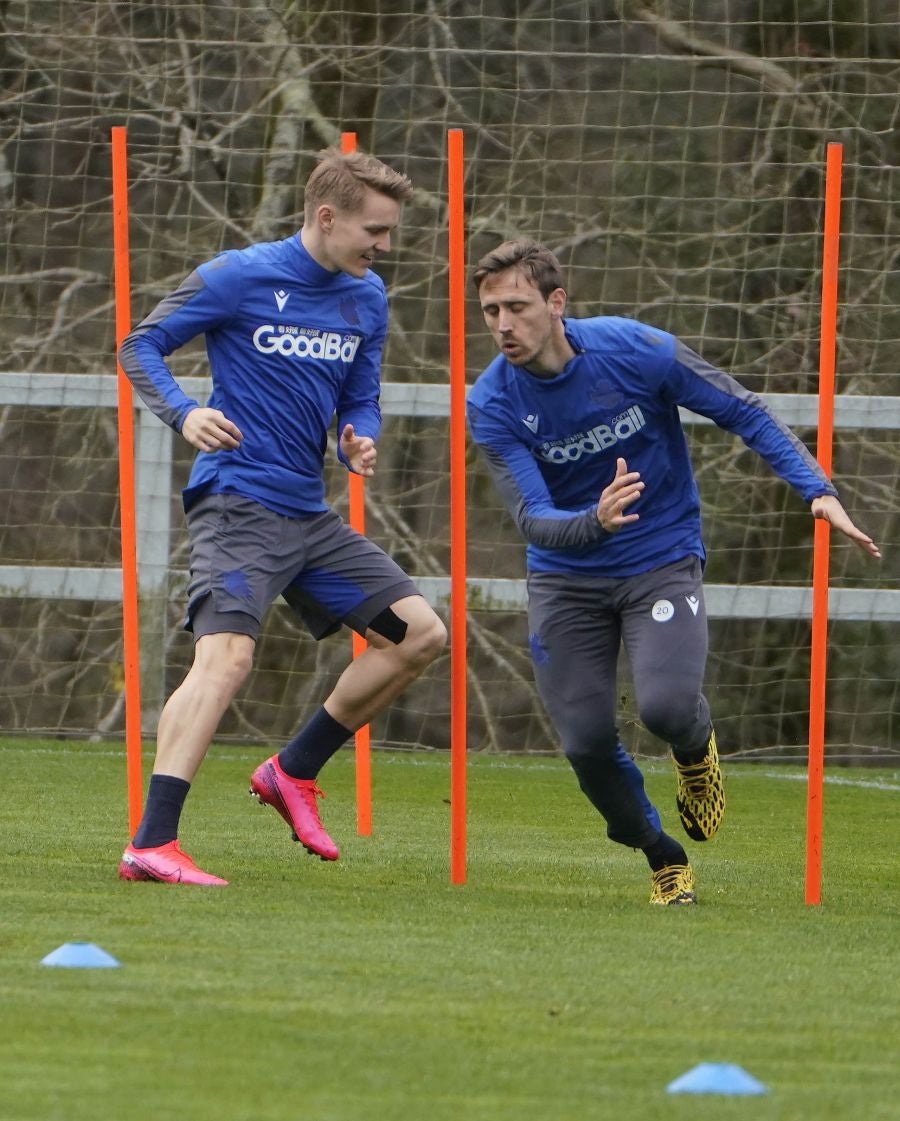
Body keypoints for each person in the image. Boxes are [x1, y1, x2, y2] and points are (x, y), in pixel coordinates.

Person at [466, 239, 881, 906]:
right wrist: (593, 523)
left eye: (516, 306)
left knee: (663, 706)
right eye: (489, 311)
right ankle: (663, 855)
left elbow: (740, 407)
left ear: (557, 302)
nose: (502, 325)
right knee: (586, 742)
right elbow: (533, 519)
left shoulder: (635, 350)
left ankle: (695, 750)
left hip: (660, 555)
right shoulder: (493, 402)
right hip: (565, 575)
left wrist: (816, 489)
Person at [116, 148, 447, 886]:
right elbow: (140, 345)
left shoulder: (369, 297)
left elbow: (362, 395)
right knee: (227, 659)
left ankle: (292, 770)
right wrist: (185, 411)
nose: (384, 245)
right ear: (326, 217)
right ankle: (152, 841)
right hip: (238, 503)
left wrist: (359, 436)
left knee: (419, 633)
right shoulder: (240, 275)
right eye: (374, 229)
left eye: (390, 231)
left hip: (308, 513)